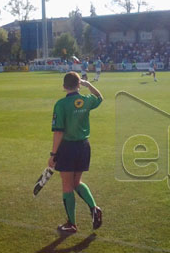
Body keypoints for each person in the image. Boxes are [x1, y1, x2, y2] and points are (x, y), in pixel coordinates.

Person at [48, 72, 103, 233]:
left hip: (68, 147)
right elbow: (100, 97)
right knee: (76, 182)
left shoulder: (61, 104)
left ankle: (71, 224)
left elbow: (58, 132)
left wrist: (53, 155)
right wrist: (88, 85)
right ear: (79, 85)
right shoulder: (86, 100)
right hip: (84, 146)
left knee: (67, 185)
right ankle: (94, 208)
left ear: (64, 86)